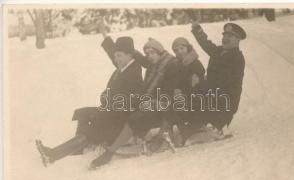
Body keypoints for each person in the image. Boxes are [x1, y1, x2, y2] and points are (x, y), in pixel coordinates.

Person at [35, 36, 144, 168]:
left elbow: (128, 101)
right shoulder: (124, 67)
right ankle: (77, 149)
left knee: (93, 126)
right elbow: (113, 66)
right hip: (111, 110)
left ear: (129, 55)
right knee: (82, 113)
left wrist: (107, 103)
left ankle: (52, 155)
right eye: (115, 56)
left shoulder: (134, 73)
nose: (116, 59)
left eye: (119, 56)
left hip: (120, 117)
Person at [89, 38, 181, 169]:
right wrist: (108, 40)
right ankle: (131, 137)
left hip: (167, 107)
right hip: (151, 103)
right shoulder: (152, 65)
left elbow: (169, 93)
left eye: (152, 52)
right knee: (131, 111)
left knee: (135, 118)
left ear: (160, 52)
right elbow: (129, 55)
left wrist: (152, 102)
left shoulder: (171, 66)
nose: (149, 56)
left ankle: (110, 152)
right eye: (147, 53)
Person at [180, 21, 246, 144]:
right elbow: (206, 44)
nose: (225, 39)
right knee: (190, 96)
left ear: (238, 40)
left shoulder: (237, 58)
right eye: (224, 36)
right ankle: (198, 125)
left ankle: (217, 126)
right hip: (212, 95)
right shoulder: (219, 51)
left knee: (199, 98)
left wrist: (200, 84)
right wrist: (197, 30)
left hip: (225, 101)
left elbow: (221, 82)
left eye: (230, 37)